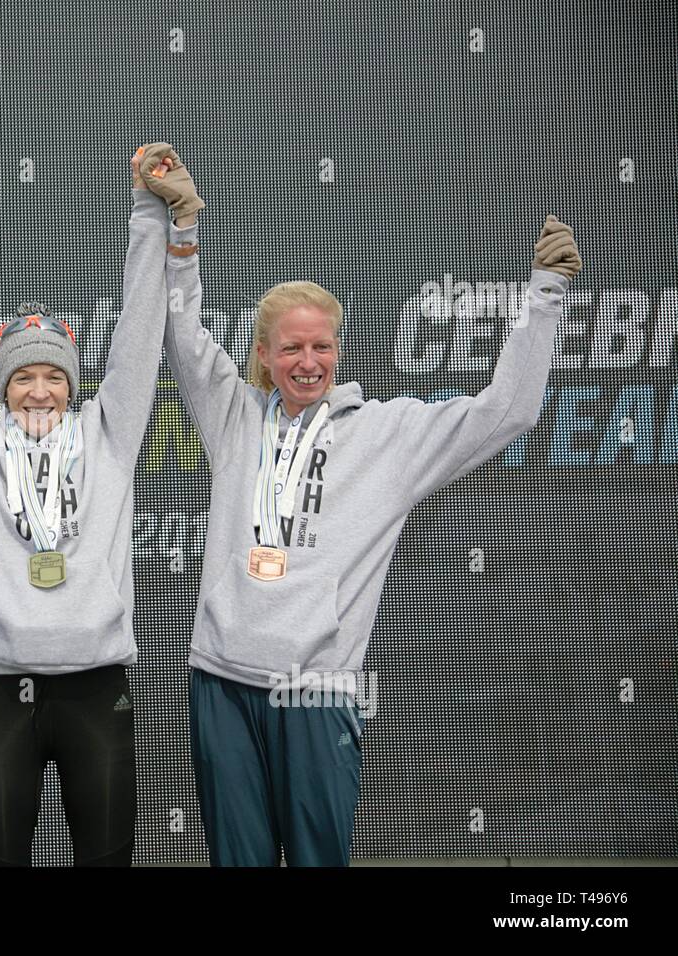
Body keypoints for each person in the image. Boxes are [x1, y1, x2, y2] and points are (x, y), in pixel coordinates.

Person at [154, 175, 583, 865]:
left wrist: (547, 296)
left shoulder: (390, 436)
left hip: (317, 690)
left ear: (338, 352)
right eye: (291, 348)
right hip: (223, 682)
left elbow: (509, 412)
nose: (307, 362)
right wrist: (180, 235)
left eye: (321, 346)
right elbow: (181, 334)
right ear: (263, 356)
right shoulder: (232, 417)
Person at [0, 139, 197, 866]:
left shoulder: (108, 434)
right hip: (1, 693)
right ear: (0, 387)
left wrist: (148, 211)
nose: (39, 390)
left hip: (97, 691)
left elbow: (140, 332)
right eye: (22, 377)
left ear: (74, 385)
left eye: (54, 376)